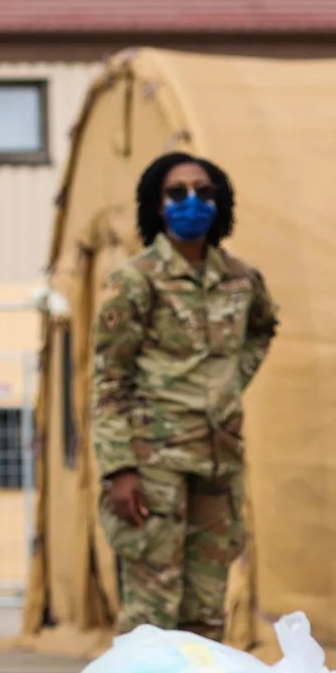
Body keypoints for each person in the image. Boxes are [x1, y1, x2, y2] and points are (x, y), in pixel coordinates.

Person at [91, 152, 279, 642]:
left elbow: (263, 326)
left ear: (221, 203)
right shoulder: (136, 280)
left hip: (219, 460)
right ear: (157, 204)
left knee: (207, 610)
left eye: (204, 192)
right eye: (177, 193)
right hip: (155, 465)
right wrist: (119, 469)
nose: (191, 202)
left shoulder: (241, 278)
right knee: (152, 609)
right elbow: (109, 378)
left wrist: (231, 379)